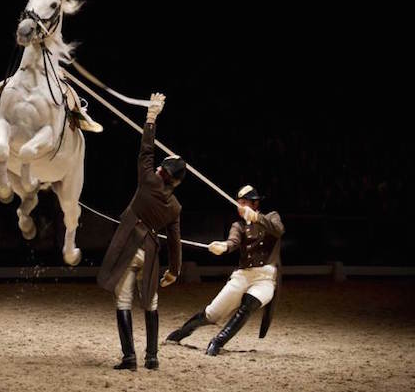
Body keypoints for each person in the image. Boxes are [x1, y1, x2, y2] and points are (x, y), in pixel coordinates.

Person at [97, 93, 185, 370]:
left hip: (129, 246)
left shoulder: (148, 179)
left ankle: (129, 357)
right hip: (150, 252)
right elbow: (174, 241)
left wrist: (151, 118)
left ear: (161, 171)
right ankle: (152, 357)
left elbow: (146, 149)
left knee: (123, 300)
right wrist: (174, 271)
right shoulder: (175, 207)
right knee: (151, 302)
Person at [165, 185, 284, 356]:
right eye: (238, 202)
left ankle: (217, 341)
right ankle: (183, 332)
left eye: (244, 203)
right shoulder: (238, 225)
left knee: (248, 304)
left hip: (265, 278)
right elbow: (233, 242)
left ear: (255, 204)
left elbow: (278, 230)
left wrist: (257, 218)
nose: (240, 206)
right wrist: (223, 246)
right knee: (212, 313)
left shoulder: (272, 217)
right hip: (243, 276)